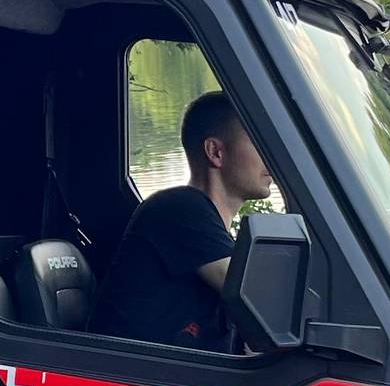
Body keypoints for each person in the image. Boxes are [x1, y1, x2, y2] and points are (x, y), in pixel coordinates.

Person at [90, 91, 271, 352]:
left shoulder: (203, 225)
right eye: (258, 141)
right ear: (215, 152)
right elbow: (259, 299)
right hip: (129, 373)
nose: (270, 154)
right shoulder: (181, 208)